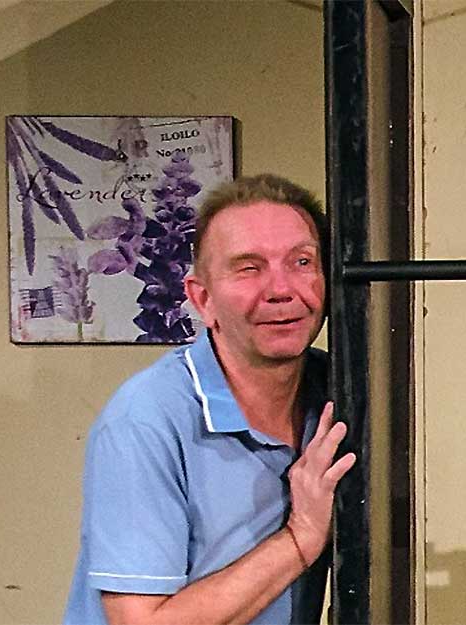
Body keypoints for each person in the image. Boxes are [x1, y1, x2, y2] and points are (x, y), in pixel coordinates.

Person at [63, 175, 356, 625]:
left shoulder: (342, 388)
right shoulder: (145, 419)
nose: (281, 289)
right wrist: (301, 536)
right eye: (249, 268)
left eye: (302, 262)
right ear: (203, 300)